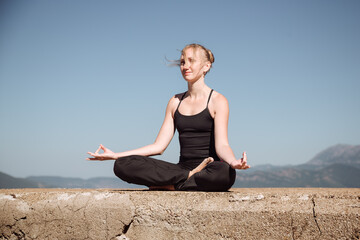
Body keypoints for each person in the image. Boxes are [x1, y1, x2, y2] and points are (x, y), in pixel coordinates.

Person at [87, 43, 250, 191]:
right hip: (181, 170)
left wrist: (233, 162)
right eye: (182, 62)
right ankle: (182, 181)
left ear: (206, 66)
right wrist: (116, 155)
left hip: (209, 168)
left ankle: (172, 185)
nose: (185, 66)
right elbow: (158, 146)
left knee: (224, 172)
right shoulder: (175, 102)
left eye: (191, 61)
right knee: (122, 165)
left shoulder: (218, 101)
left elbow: (222, 145)